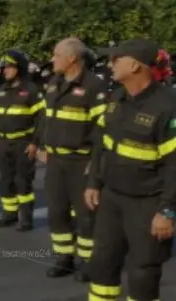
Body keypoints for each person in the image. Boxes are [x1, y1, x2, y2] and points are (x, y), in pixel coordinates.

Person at [85, 38, 176, 301]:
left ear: (135, 65)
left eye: (116, 59)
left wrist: (167, 211)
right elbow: (102, 145)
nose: (110, 64)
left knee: (143, 272)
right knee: (102, 263)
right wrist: (93, 182)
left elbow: (174, 166)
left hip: (148, 203)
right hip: (112, 197)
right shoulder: (116, 97)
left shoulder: (167, 106)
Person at [41, 38, 108, 281]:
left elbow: (102, 130)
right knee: (57, 212)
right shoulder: (54, 83)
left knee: (86, 215)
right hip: (56, 161)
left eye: (56, 55)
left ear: (72, 58)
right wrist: (41, 144)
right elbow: (46, 118)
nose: (52, 59)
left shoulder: (94, 86)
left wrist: (96, 163)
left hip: (82, 161)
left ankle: (89, 261)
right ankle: (64, 258)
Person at [0, 50, 43, 231]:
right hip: (4, 143)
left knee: (23, 181)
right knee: (6, 180)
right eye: (4, 67)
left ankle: (26, 218)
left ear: (19, 68)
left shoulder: (31, 90)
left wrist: (35, 143)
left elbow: (40, 119)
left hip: (23, 143)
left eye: (9, 67)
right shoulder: (2, 89)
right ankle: (9, 213)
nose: (5, 70)